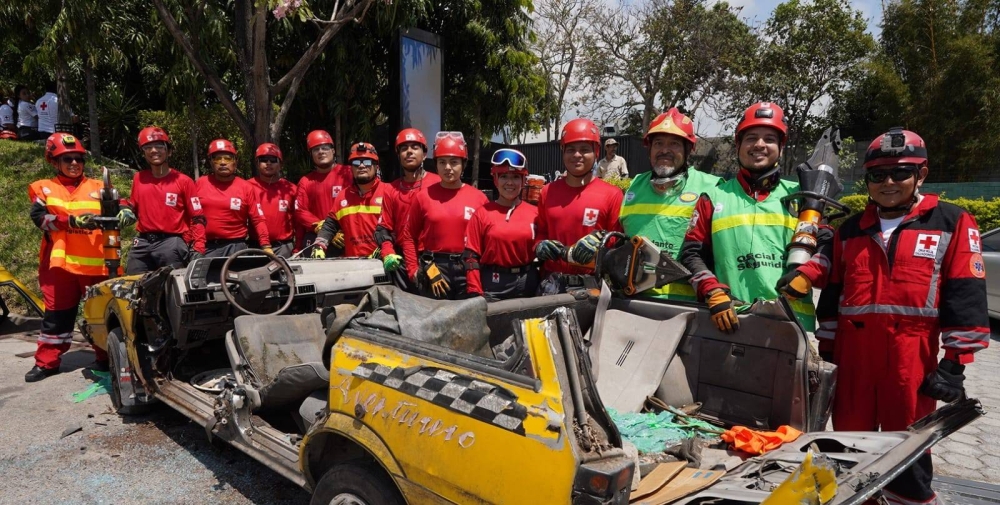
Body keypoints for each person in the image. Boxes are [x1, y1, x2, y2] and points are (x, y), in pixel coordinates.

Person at [782, 128, 990, 505]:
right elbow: (833, 293)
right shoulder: (851, 230)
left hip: (911, 361)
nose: (889, 182)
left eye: (901, 173)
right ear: (868, 181)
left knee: (907, 450)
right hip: (853, 360)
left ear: (921, 175)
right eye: (878, 175)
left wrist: (955, 363)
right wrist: (828, 350)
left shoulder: (951, 222)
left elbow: (966, 294)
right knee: (847, 447)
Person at [680, 102, 815, 333]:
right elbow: (691, 254)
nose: (759, 145)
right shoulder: (712, 197)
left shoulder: (805, 197)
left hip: (793, 328)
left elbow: (827, 251)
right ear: (738, 144)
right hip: (732, 323)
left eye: (769, 139)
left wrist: (809, 273)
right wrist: (711, 289)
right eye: (751, 138)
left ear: (781, 146)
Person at [25, 133, 133, 382]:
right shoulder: (43, 188)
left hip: (97, 263)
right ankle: (47, 363)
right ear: (54, 162)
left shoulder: (98, 186)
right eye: (67, 159)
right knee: (56, 316)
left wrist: (126, 210)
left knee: (101, 313)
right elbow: (40, 219)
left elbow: (123, 202)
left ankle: (107, 359)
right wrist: (70, 220)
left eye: (78, 159)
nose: (74, 163)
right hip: (59, 265)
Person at [619, 108, 720, 301]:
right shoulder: (634, 186)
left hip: (690, 306)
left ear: (689, 149)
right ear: (649, 148)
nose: (665, 150)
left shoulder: (712, 188)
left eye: (674, 143)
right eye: (658, 143)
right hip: (634, 302)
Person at [534, 118, 624, 294]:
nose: (577, 155)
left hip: (592, 285)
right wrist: (539, 246)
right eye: (571, 149)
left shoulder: (612, 195)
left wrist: (600, 244)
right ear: (563, 152)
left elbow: (618, 242)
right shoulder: (547, 192)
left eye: (584, 150)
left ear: (596, 152)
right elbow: (541, 231)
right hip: (552, 283)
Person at [400, 132, 488, 299]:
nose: (448, 168)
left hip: (470, 269)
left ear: (463, 164)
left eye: (454, 162)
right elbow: (409, 236)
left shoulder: (479, 199)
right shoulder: (423, 197)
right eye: (442, 162)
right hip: (435, 270)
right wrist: (413, 270)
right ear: (436, 164)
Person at [126, 126, 206, 274]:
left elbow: (198, 217)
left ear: (169, 151)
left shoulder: (184, 181)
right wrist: (123, 207)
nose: (153, 151)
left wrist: (198, 247)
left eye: (159, 146)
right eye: (148, 147)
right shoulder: (139, 178)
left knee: (173, 290)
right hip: (142, 242)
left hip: (171, 242)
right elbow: (133, 206)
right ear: (143, 152)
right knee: (133, 286)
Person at [463, 149, 539, 300]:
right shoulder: (482, 214)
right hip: (494, 286)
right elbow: (471, 257)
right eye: (503, 176)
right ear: (496, 179)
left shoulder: (536, 213)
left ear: (524, 180)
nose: (509, 182)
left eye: (516, 177)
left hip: (529, 283)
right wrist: (475, 292)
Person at [375, 128, 441, 281]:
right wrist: (388, 253)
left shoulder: (438, 183)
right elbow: (383, 228)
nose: (409, 152)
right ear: (398, 156)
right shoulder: (391, 189)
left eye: (414, 147)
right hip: (402, 262)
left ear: (424, 154)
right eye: (404, 148)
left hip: (434, 262)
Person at [194, 139, 271, 257]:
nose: (223, 162)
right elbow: (191, 218)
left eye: (227, 158)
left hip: (236, 248)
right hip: (206, 248)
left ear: (235, 161)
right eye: (218, 158)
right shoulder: (200, 184)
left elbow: (258, 219)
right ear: (210, 161)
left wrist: (266, 245)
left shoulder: (246, 187)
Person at [313, 142, 391, 259]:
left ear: (376, 166)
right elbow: (330, 225)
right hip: (353, 264)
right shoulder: (343, 196)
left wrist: (385, 250)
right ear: (351, 168)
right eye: (356, 162)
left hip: (385, 262)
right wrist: (319, 245)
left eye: (367, 162)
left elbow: (401, 229)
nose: (361, 166)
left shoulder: (389, 192)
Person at [295, 130, 352, 249]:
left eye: (325, 148)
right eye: (316, 149)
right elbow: (300, 211)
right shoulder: (305, 181)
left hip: (348, 239)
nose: (321, 152)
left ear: (333, 150)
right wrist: (321, 227)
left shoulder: (349, 173)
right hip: (318, 240)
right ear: (311, 155)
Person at [247, 143, 297, 257]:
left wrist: (297, 246)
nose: (268, 163)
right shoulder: (247, 186)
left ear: (280, 164)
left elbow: (298, 221)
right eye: (264, 159)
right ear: (257, 163)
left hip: (284, 247)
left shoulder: (291, 189)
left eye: (273, 160)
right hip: (256, 247)